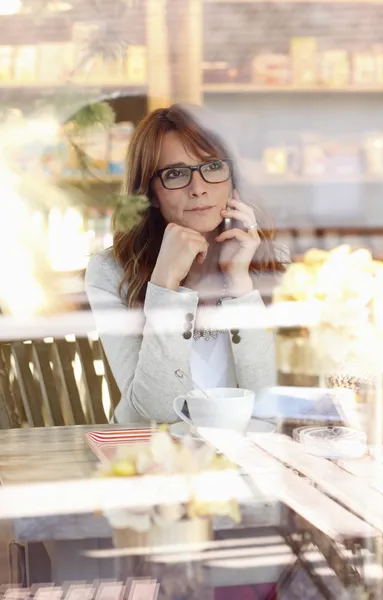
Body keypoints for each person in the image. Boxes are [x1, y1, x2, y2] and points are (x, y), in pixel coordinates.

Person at [85, 104, 286, 424]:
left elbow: (269, 409)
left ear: (233, 180)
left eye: (212, 166)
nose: (199, 188)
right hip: (150, 460)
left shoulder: (270, 263)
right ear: (150, 192)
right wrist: (164, 285)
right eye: (176, 174)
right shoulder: (112, 271)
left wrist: (240, 285)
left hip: (248, 461)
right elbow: (156, 413)